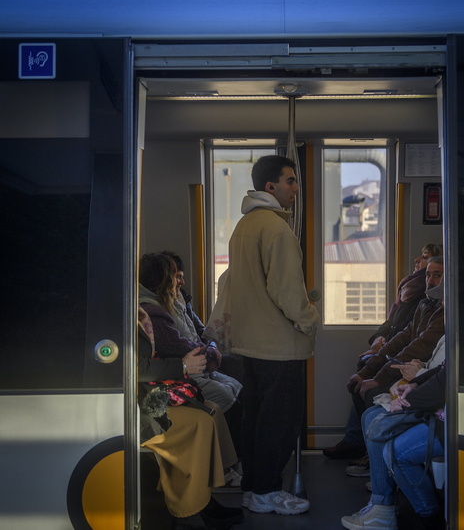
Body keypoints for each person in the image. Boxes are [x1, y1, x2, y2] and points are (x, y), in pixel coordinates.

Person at [222, 154, 319, 515]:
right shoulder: (277, 230)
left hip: (250, 341)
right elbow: (288, 293)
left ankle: (253, 488)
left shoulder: (243, 227)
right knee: (279, 422)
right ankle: (266, 492)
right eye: (290, 181)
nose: (296, 189)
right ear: (270, 186)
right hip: (279, 345)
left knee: (255, 419)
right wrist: (311, 320)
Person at [323, 244, 442, 460]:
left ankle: (371, 455)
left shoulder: (443, 312)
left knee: (370, 393)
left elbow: (419, 346)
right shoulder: (425, 304)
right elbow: (401, 336)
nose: (430, 281)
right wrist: (368, 370)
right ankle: (361, 446)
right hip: (402, 361)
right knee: (360, 378)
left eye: (438, 276)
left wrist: (379, 379)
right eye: (428, 275)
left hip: (419, 371)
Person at [138, 306, 243, 530]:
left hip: (148, 393)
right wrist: (183, 366)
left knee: (211, 408)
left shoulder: (137, 312)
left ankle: (204, 495)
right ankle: (191, 508)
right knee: (201, 421)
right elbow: (134, 367)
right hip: (138, 404)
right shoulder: (133, 313)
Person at [341, 364, 446, 530]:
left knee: (396, 452)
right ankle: (381, 504)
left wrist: (407, 402)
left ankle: (431, 519)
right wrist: (416, 383)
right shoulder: (460, 342)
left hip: (455, 421)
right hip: (442, 412)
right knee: (374, 419)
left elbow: (446, 379)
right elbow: (443, 368)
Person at [139, 253, 242, 415]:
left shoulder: (174, 302)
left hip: (194, 362)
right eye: (175, 277)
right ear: (164, 280)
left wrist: (210, 348)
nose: (181, 282)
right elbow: (176, 347)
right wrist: (209, 354)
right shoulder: (153, 311)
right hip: (183, 373)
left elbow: (199, 331)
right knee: (229, 392)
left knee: (237, 379)